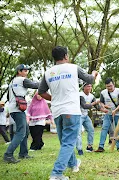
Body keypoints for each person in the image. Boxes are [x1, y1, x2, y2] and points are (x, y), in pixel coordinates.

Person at [38, 46, 97, 180]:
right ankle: (57, 173)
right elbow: (90, 80)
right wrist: (94, 73)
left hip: (57, 111)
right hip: (71, 110)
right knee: (69, 142)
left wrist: (54, 98)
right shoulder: (73, 67)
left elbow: (41, 92)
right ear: (65, 56)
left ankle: (74, 163)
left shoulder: (48, 72)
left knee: (65, 141)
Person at [3, 64, 39, 164]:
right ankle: (8, 154)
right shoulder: (22, 80)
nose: (26, 72)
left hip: (14, 108)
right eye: (25, 70)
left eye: (27, 70)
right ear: (19, 71)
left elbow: (8, 97)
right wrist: (47, 82)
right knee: (21, 132)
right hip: (18, 109)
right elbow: (35, 85)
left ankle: (23, 153)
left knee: (26, 131)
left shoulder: (12, 82)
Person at [95, 78, 119, 152]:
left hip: (118, 114)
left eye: (111, 86)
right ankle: (101, 147)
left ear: (113, 84)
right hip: (108, 114)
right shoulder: (103, 93)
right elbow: (101, 102)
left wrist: (115, 110)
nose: (109, 88)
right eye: (108, 86)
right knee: (104, 128)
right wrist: (104, 107)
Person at [76, 83, 99, 155]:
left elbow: (97, 106)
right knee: (78, 132)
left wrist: (104, 109)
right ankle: (79, 149)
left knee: (91, 130)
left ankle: (89, 146)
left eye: (90, 86)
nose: (89, 88)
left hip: (85, 115)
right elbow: (84, 106)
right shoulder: (80, 95)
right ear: (84, 87)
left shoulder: (91, 96)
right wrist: (94, 102)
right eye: (88, 86)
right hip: (78, 115)